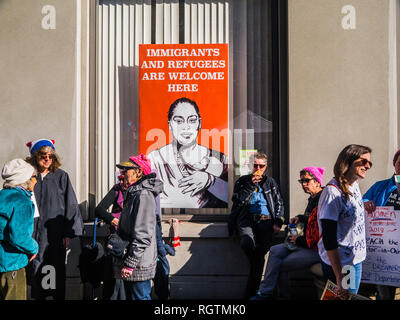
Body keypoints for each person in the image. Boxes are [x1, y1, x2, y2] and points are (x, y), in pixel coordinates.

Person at [251, 166, 325, 300]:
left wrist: (299, 240)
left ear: (317, 182)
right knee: (274, 251)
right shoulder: (313, 198)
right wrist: (300, 218)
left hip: (317, 250)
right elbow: (311, 220)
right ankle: (265, 292)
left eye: (307, 181)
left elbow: (321, 231)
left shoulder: (323, 199)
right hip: (305, 243)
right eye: (301, 181)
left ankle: (281, 296)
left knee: (280, 264)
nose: (303, 184)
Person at [25, 139, 84, 300]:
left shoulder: (61, 177)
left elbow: (70, 205)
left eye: (50, 156)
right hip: (31, 233)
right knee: (33, 271)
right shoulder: (28, 177)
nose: (47, 159)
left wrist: (67, 233)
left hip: (53, 235)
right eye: (43, 156)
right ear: (35, 157)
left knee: (52, 269)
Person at [148, 97, 228, 208]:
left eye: (192, 120)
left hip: (205, 221)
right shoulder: (155, 159)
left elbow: (232, 196)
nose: (186, 126)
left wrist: (210, 181)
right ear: (170, 124)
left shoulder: (219, 158)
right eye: (179, 121)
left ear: (199, 123)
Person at [317, 144, 372, 298]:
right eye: (363, 161)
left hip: (355, 260)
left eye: (369, 163)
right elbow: (328, 237)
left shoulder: (354, 184)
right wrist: (339, 275)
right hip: (343, 265)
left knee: (349, 297)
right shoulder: (332, 193)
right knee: (344, 298)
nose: (367, 166)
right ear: (348, 161)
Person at [228, 152, 285, 298]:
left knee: (259, 257)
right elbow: (238, 201)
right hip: (246, 220)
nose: (258, 168)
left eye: (261, 166)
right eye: (255, 165)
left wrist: (278, 221)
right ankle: (258, 292)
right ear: (249, 165)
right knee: (247, 244)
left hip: (266, 221)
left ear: (266, 167)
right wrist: (249, 185)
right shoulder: (242, 181)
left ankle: (251, 294)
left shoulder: (270, 182)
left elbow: (279, 202)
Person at [112, 154, 163, 300]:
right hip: (134, 261)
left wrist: (130, 264)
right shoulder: (134, 193)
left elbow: (143, 233)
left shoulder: (143, 195)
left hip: (139, 263)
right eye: (122, 171)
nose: (122, 174)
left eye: (126, 170)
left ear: (139, 172)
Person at [362, 147, 400, 300]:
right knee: (385, 293)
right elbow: (361, 201)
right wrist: (366, 203)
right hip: (386, 251)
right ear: (394, 164)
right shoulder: (380, 186)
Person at [0, 159, 39, 300]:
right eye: (34, 177)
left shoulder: (2, 195)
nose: (36, 181)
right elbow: (18, 236)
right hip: (11, 264)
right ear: (25, 179)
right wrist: (34, 248)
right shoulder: (21, 201)